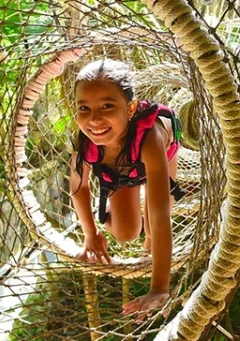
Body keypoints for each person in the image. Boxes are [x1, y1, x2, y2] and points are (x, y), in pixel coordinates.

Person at [68, 59, 185, 316]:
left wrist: (159, 288)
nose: (94, 119)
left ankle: (145, 225)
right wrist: (90, 233)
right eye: (84, 108)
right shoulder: (86, 144)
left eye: (107, 106)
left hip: (161, 150)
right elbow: (79, 187)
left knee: (154, 230)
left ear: (131, 108)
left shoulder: (151, 139)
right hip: (120, 166)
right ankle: (117, 197)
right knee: (126, 232)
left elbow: (159, 212)